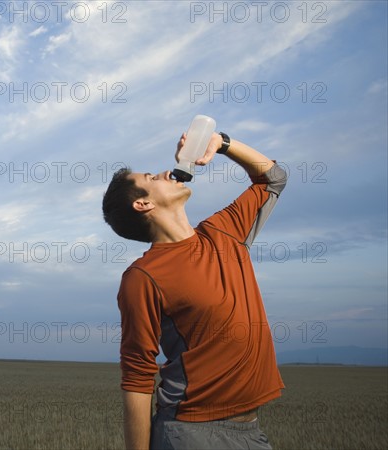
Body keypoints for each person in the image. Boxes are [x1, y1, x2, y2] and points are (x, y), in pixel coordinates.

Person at [101, 129, 288, 450]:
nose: (163, 172)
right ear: (143, 203)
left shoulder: (224, 232)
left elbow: (273, 178)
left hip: (251, 432)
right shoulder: (142, 277)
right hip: (191, 433)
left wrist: (222, 143)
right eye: (150, 176)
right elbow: (137, 376)